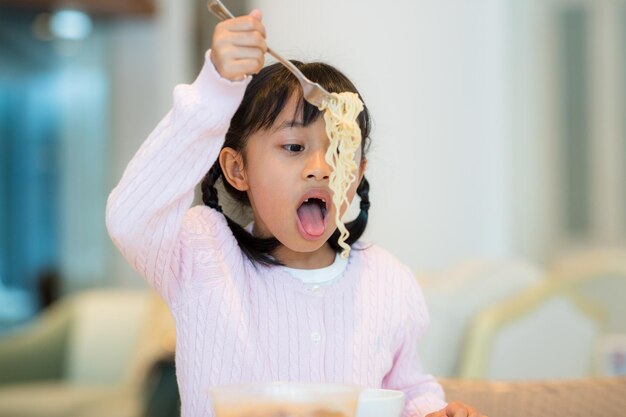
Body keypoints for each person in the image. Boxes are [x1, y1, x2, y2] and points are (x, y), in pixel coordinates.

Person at [106, 9, 484, 417]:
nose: (321, 167)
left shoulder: (387, 281)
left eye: (339, 149)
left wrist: (431, 411)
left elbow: (404, 389)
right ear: (238, 169)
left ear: (357, 174)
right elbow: (130, 217)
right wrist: (213, 91)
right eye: (294, 147)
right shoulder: (202, 255)